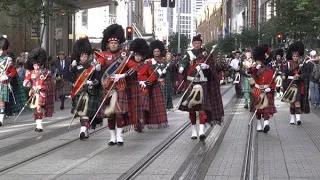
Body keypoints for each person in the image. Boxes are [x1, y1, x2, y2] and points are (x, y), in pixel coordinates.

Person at [95, 24, 139, 146]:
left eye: (115, 43)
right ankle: (112, 137)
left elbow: (135, 67)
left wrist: (123, 75)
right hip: (108, 87)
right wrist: (97, 67)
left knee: (119, 113)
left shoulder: (124, 55)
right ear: (108, 44)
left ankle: (120, 136)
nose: (113, 45)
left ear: (118, 44)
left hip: (120, 87)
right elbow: (99, 64)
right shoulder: (103, 55)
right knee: (110, 114)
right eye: (111, 43)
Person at [178, 34, 224, 140]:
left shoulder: (206, 54)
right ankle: (194, 130)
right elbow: (184, 63)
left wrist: (207, 66)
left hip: (203, 83)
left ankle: (202, 131)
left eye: (199, 43)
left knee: (202, 109)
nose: (197, 45)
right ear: (192, 44)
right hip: (191, 83)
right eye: (195, 43)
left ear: (201, 44)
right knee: (192, 110)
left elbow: (214, 67)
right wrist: (181, 67)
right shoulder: (188, 54)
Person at [128, 38, 168, 132]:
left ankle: (141, 123)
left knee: (142, 107)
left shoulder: (146, 65)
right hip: (134, 89)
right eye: (136, 55)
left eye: (139, 56)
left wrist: (147, 81)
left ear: (142, 56)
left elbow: (153, 75)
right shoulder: (130, 64)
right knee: (135, 108)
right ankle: (137, 123)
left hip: (144, 89)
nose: (138, 57)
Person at [23, 48, 54, 132]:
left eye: (37, 65)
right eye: (34, 65)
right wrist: (26, 83)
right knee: (35, 109)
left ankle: (40, 126)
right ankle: (38, 124)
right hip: (34, 93)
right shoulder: (32, 72)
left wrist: (41, 87)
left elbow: (48, 85)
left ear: (40, 64)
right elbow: (27, 79)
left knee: (39, 107)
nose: (36, 66)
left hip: (42, 93)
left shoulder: (45, 72)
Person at [249, 44, 277, 133]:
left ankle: (266, 124)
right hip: (257, 90)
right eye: (257, 61)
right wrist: (254, 69)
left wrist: (270, 88)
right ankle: (258, 124)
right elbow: (251, 78)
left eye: (259, 61)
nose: (258, 62)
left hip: (266, 91)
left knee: (266, 109)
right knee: (258, 109)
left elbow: (272, 82)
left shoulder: (269, 71)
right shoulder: (254, 70)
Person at [283, 41, 310, 125]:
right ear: (292, 56)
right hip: (290, 84)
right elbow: (284, 72)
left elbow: (306, 74)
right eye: (294, 56)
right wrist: (283, 76)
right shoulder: (288, 63)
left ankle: (298, 119)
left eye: (296, 56)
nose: (295, 57)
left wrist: (299, 76)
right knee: (292, 102)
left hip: (298, 84)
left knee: (297, 101)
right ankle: (292, 118)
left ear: (299, 56)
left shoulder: (302, 64)